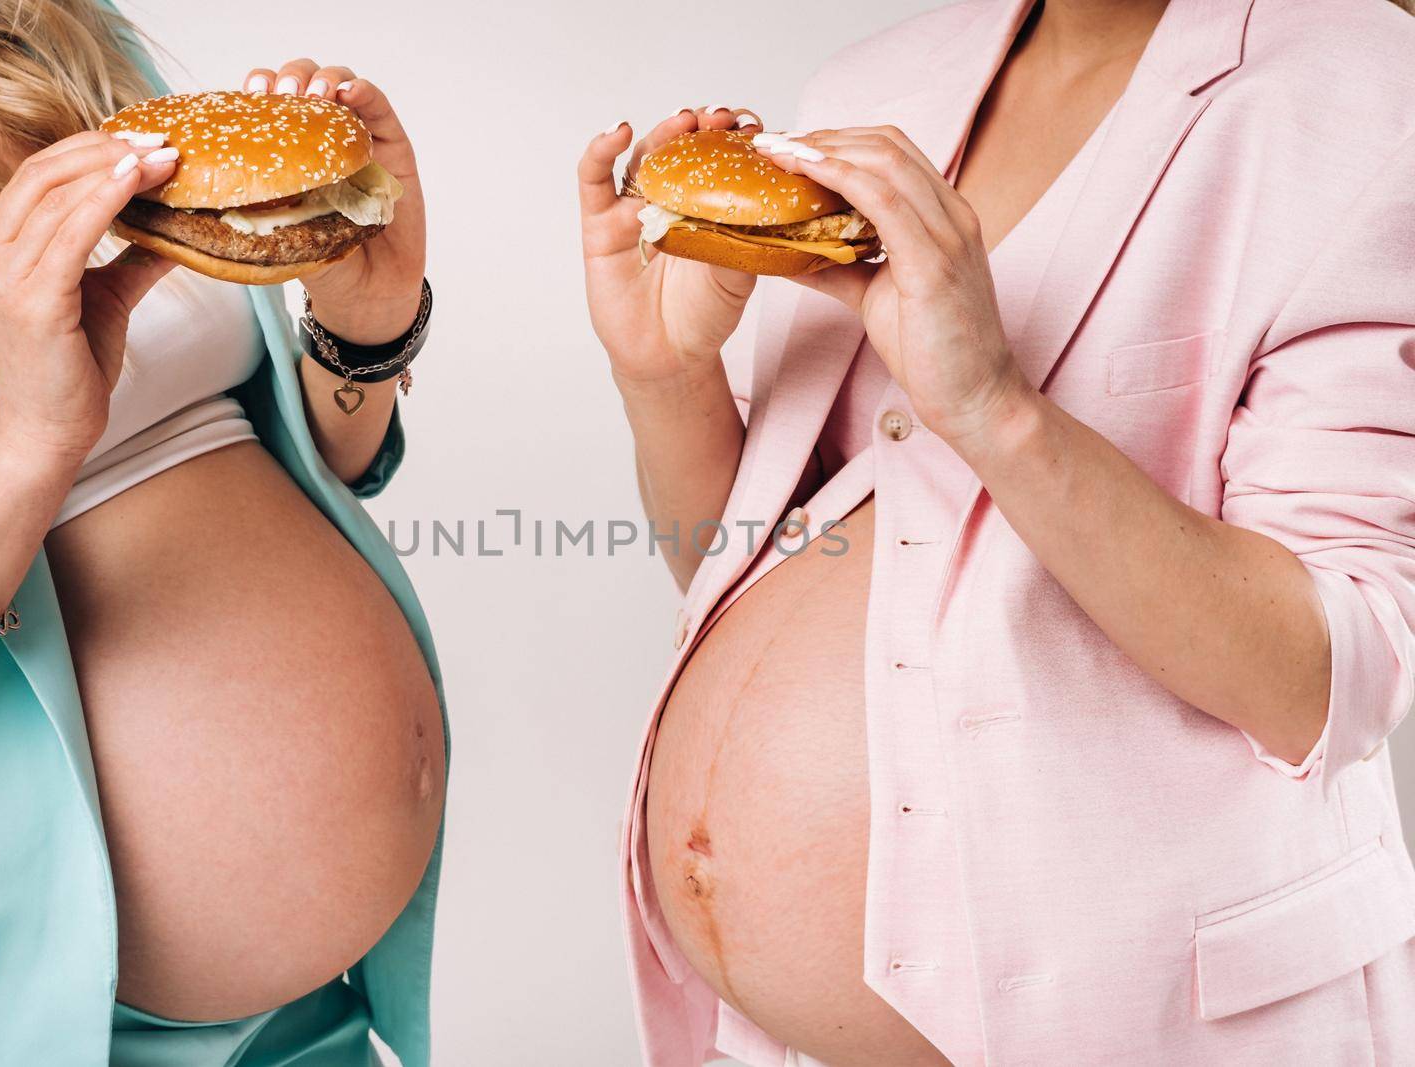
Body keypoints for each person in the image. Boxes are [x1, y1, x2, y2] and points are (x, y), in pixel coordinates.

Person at [577, 0, 1415, 1063]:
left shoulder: (1374, 95)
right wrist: (664, 375)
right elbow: (738, 567)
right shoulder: (874, 84)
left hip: (1142, 1019)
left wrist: (992, 404)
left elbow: (1331, 682)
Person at [0, 2, 446, 1064]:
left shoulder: (61, 29)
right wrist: (29, 442)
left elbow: (282, 462)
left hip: (316, 1019)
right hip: (32, 1015)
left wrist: (362, 329)